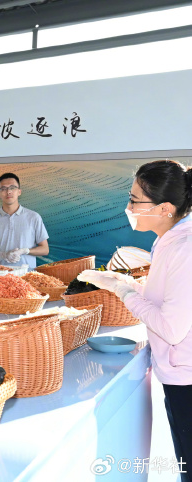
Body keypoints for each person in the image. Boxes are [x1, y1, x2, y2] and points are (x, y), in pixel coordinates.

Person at [78, 160, 192, 479]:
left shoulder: (185, 245)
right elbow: (169, 299)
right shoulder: (168, 239)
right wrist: (128, 284)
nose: (128, 207)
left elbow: (171, 327)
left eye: (134, 200)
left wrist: (124, 292)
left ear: (164, 208)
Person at [0, 172, 49, 269]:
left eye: (12, 187)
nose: (8, 192)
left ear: (19, 191)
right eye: (3, 189)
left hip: (27, 276)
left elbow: (45, 249)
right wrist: (2, 255)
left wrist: (26, 251)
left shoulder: (33, 217)